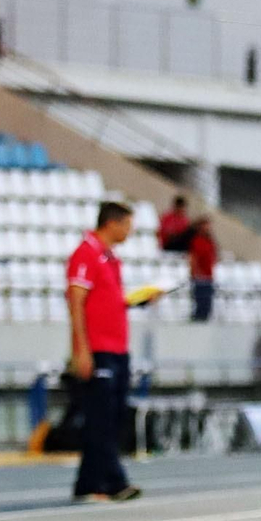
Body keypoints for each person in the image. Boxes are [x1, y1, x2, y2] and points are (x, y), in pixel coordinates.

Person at [66, 201, 144, 503]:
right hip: (99, 349)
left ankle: (87, 483)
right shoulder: (86, 254)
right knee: (103, 418)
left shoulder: (109, 258)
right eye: (127, 224)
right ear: (112, 223)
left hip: (116, 347)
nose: (129, 231)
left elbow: (106, 302)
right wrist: (81, 350)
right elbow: (76, 302)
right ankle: (112, 481)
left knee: (109, 417)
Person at [187, 216, 217, 322]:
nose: (208, 228)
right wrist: (194, 273)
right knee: (200, 304)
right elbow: (193, 258)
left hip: (209, 277)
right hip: (200, 277)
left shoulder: (210, 241)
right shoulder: (196, 241)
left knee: (207, 306)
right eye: (206, 226)